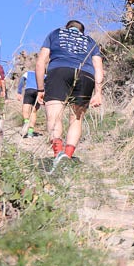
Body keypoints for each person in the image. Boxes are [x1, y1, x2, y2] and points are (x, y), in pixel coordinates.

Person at [35, 19, 103, 164]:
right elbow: (98, 67)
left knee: (54, 116)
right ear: (82, 31)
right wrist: (98, 93)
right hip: (86, 75)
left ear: (67, 28)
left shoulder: (55, 33)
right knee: (76, 118)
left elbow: (41, 62)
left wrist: (40, 88)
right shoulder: (90, 41)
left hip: (59, 71)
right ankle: (68, 156)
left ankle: (58, 154)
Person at [17, 68, 40, 137]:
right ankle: (30, 132)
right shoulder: (44, 75)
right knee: (34, 112)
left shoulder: (28, 73)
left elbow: (22, 81)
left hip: (29, 90)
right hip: (39, 92)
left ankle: (26, 122)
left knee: (25, 108)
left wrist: (19, 92)